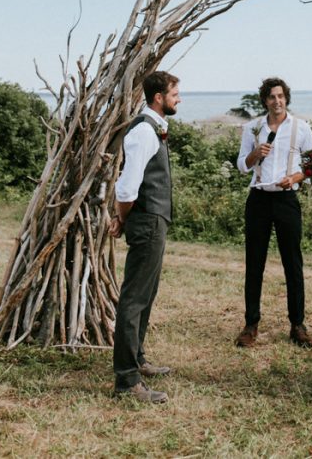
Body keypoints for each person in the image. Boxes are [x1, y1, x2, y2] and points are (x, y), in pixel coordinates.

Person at [110, 71, 180, 403]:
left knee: (146, 294)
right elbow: (127, 186)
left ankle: (137, 358)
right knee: (134, 298)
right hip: (146, 221)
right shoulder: (143, 133)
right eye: (174, 93)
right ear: (158, 98)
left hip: (154, 220)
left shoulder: (154, 129)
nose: (178, 98)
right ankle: (126, 381)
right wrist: (122, 218)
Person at [235, 77, 312, 348]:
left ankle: (297, 324)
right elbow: (241, 165)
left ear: (286, 98)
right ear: (265, 100)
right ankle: (250, 325)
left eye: (281, 96)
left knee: (293, 263)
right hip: (258, 199)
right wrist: (254, 154)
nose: (277, 101)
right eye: (271, 97)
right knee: (254, 262)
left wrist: (294, 178)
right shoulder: (252, 127)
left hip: (286, 200)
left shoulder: (301, 128)